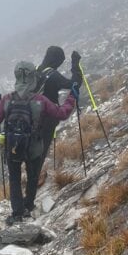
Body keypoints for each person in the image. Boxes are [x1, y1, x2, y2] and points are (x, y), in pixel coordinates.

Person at [0, 61, 78, 225]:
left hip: (12, 147)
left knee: (14, 179)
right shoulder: (40, 100)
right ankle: (28, 205)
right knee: (32, 176)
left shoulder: (7, 100)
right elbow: (62, 113)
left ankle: (17, 214)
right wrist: (72, 96)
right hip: (34, 146)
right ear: (32, 78)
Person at [35, 46, 82, 178]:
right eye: (60, 62)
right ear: (56, 60)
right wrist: (76, 65)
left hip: (32, 118)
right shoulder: (52, 75)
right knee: (42, 150)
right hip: (47, 118)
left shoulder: (36, 70)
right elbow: (74, 84)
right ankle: (34, 179)